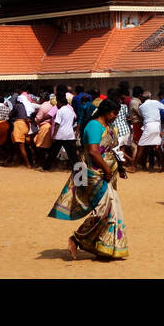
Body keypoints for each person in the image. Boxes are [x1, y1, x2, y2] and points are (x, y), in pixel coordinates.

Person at [49, 99, 128, 261]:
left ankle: (104, 246)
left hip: (107, 173)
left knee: (113, 208)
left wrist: (119, 166)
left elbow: (111, 149)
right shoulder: (93, 126)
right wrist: (106, 169)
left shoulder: (110, 127)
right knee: (102, 209)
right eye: (113, 113)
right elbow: (93, 151)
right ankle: (77, 238)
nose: (115, 117)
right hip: (91, 172)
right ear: (106, 112)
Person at [45, 94, 79, 171]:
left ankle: (46, 167)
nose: (57, 105)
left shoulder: (60, 111)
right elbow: (74, 120)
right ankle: (76, 169)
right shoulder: (71, 111)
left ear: (60, 102)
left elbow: (57, 124)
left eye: (57, 103)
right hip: (70, 135)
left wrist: (54, 135)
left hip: (60, 135)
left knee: (53, 153)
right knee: (72, 154)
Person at [135, 91, 164, 172]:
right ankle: (163, 167)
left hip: (148, 125)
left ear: (143, 98)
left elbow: (143, 116)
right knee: (157, 147)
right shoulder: (156, 102)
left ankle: (133, 167)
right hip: (157, 125)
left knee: (140, 147)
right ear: (150, 97)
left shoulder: (141, 107)